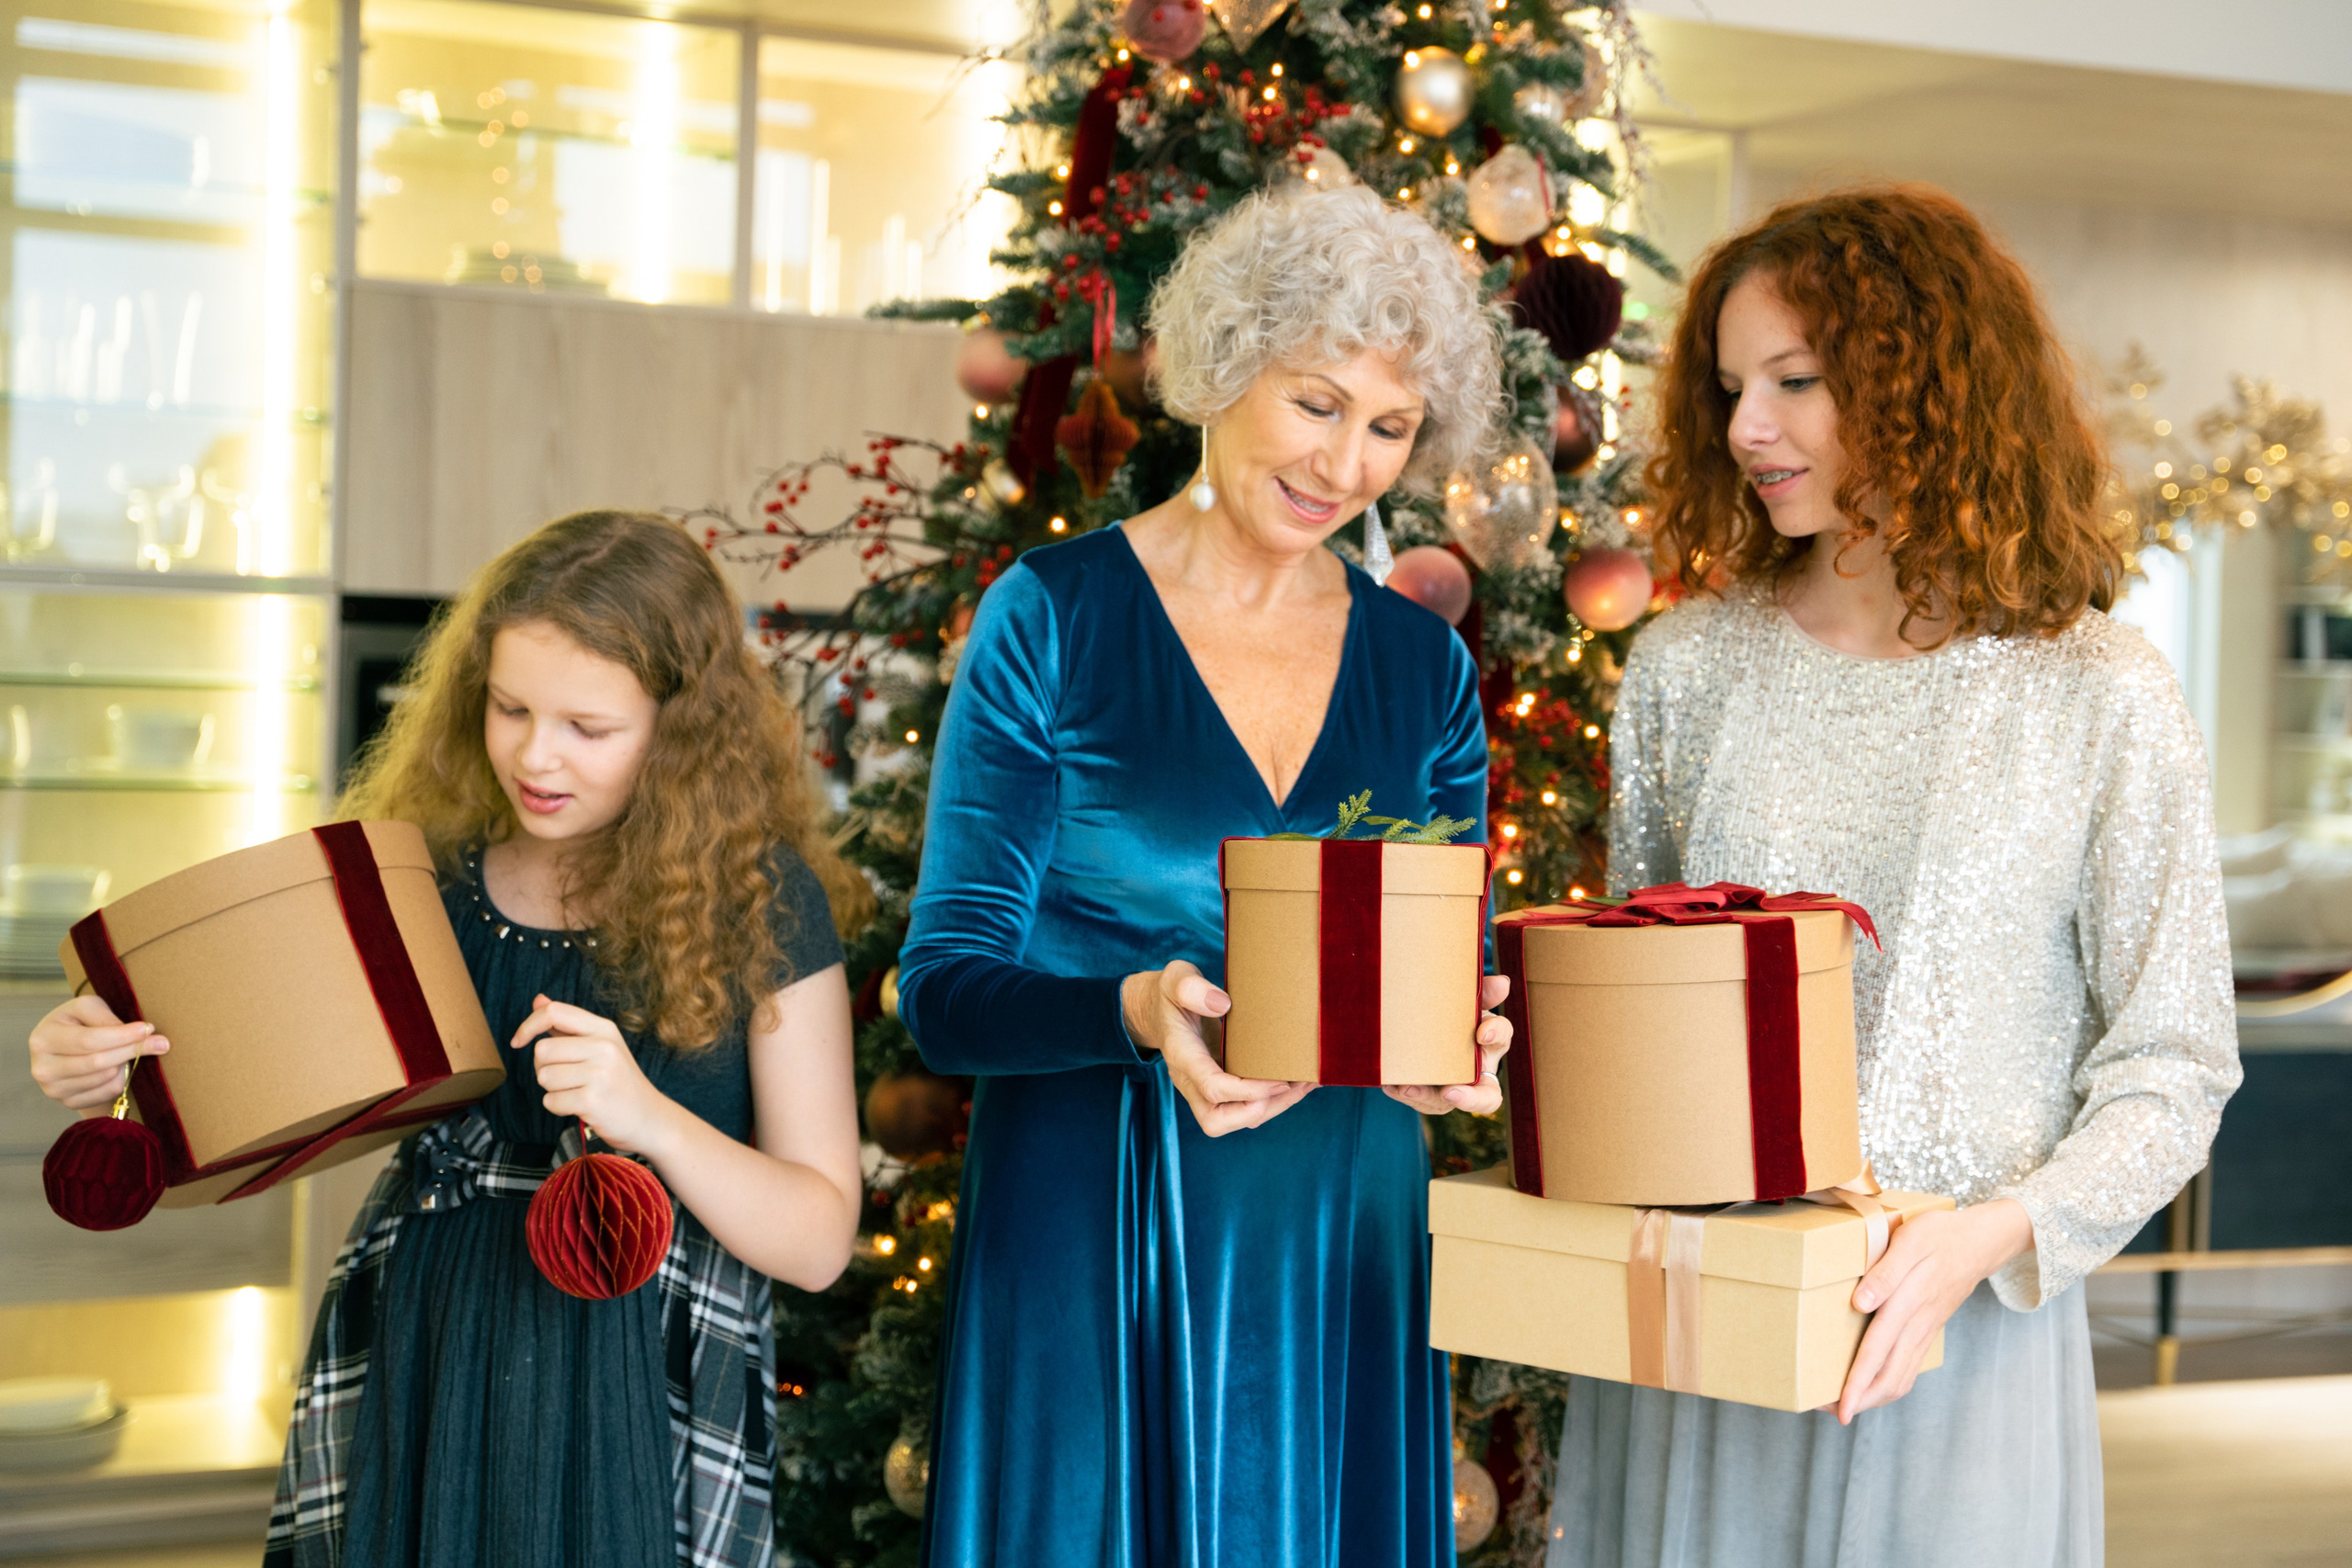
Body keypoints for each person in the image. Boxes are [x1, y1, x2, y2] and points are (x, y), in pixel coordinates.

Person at [1545, 186, 2241, 1567]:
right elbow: (1639, 1011)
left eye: (1796, 381)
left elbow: (2175, 1062)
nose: (1748, 427)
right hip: (1708, 1335)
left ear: (1924, 383)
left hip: (1958, 1341)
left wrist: (1992, 1233)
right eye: (1733, 385)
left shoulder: (2095, 689)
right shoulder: (1688, 667)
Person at [28, 512, 869, 1567]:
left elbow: (819, 1235)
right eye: (509, 708)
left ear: (681, 729)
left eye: (587, 728)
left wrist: (648, 1119)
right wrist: (102, 1057)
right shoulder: (419, 875)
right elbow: (233, 1070)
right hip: (424, 1339)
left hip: (650, 1371)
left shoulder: (764, 907)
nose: (534, 754)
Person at [897, 183, 1517, 1566]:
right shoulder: (1051, 616)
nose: (1347, 465)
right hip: (1095, 1221)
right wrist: (1130, 1010)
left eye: (1391, 427)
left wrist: (1461, 1048)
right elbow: (942, 993)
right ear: (1226, 367)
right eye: (1316, 402)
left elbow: (1448, 967)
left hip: (1341, 1239)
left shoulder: (1424, 669)